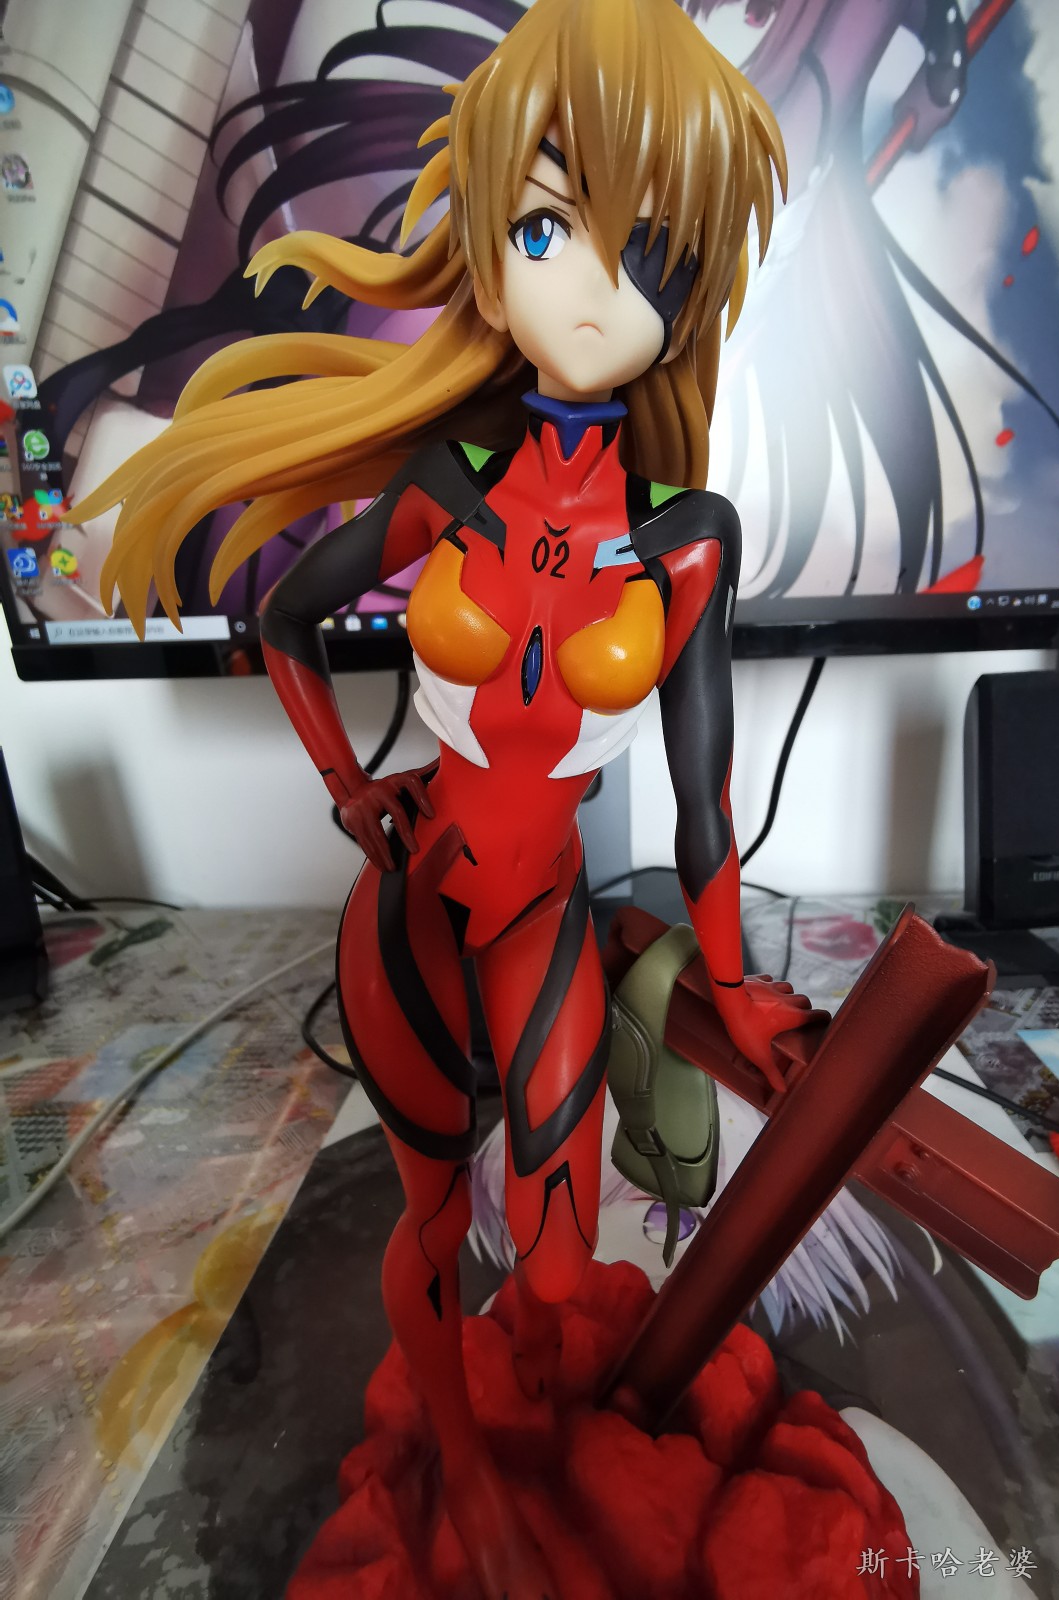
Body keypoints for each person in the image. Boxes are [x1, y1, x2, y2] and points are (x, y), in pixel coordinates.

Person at [76, 1, 805, 1593]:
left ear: (691, 291)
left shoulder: (687, 535)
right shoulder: (447, 488)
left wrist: (736, 980)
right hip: (408, 902)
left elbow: (705, 793)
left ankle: (537, 1424)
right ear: (490, 243)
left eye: (651, 250)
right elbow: (283, 621)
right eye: (548, 226)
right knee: (422, 1227)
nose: (591, 283)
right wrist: (352, 792)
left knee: (556, 1267)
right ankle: (467, 1466)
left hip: (541, 912)